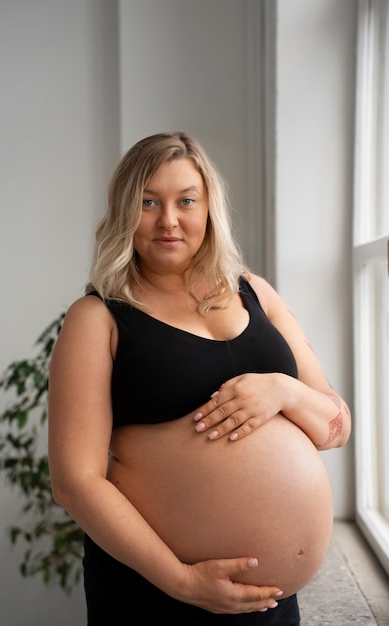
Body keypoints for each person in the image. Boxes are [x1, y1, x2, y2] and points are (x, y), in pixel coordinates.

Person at [48, 131, 351, 625]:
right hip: (155, 596)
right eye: (148, 202)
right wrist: (182, 581)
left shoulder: (255, 293)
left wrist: (284, 390)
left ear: (209, 208)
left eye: (186, 200)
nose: (168, 219)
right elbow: (74, 482)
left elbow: (336, 425)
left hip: (271, 608)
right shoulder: (97, 318)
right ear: (125, 211)